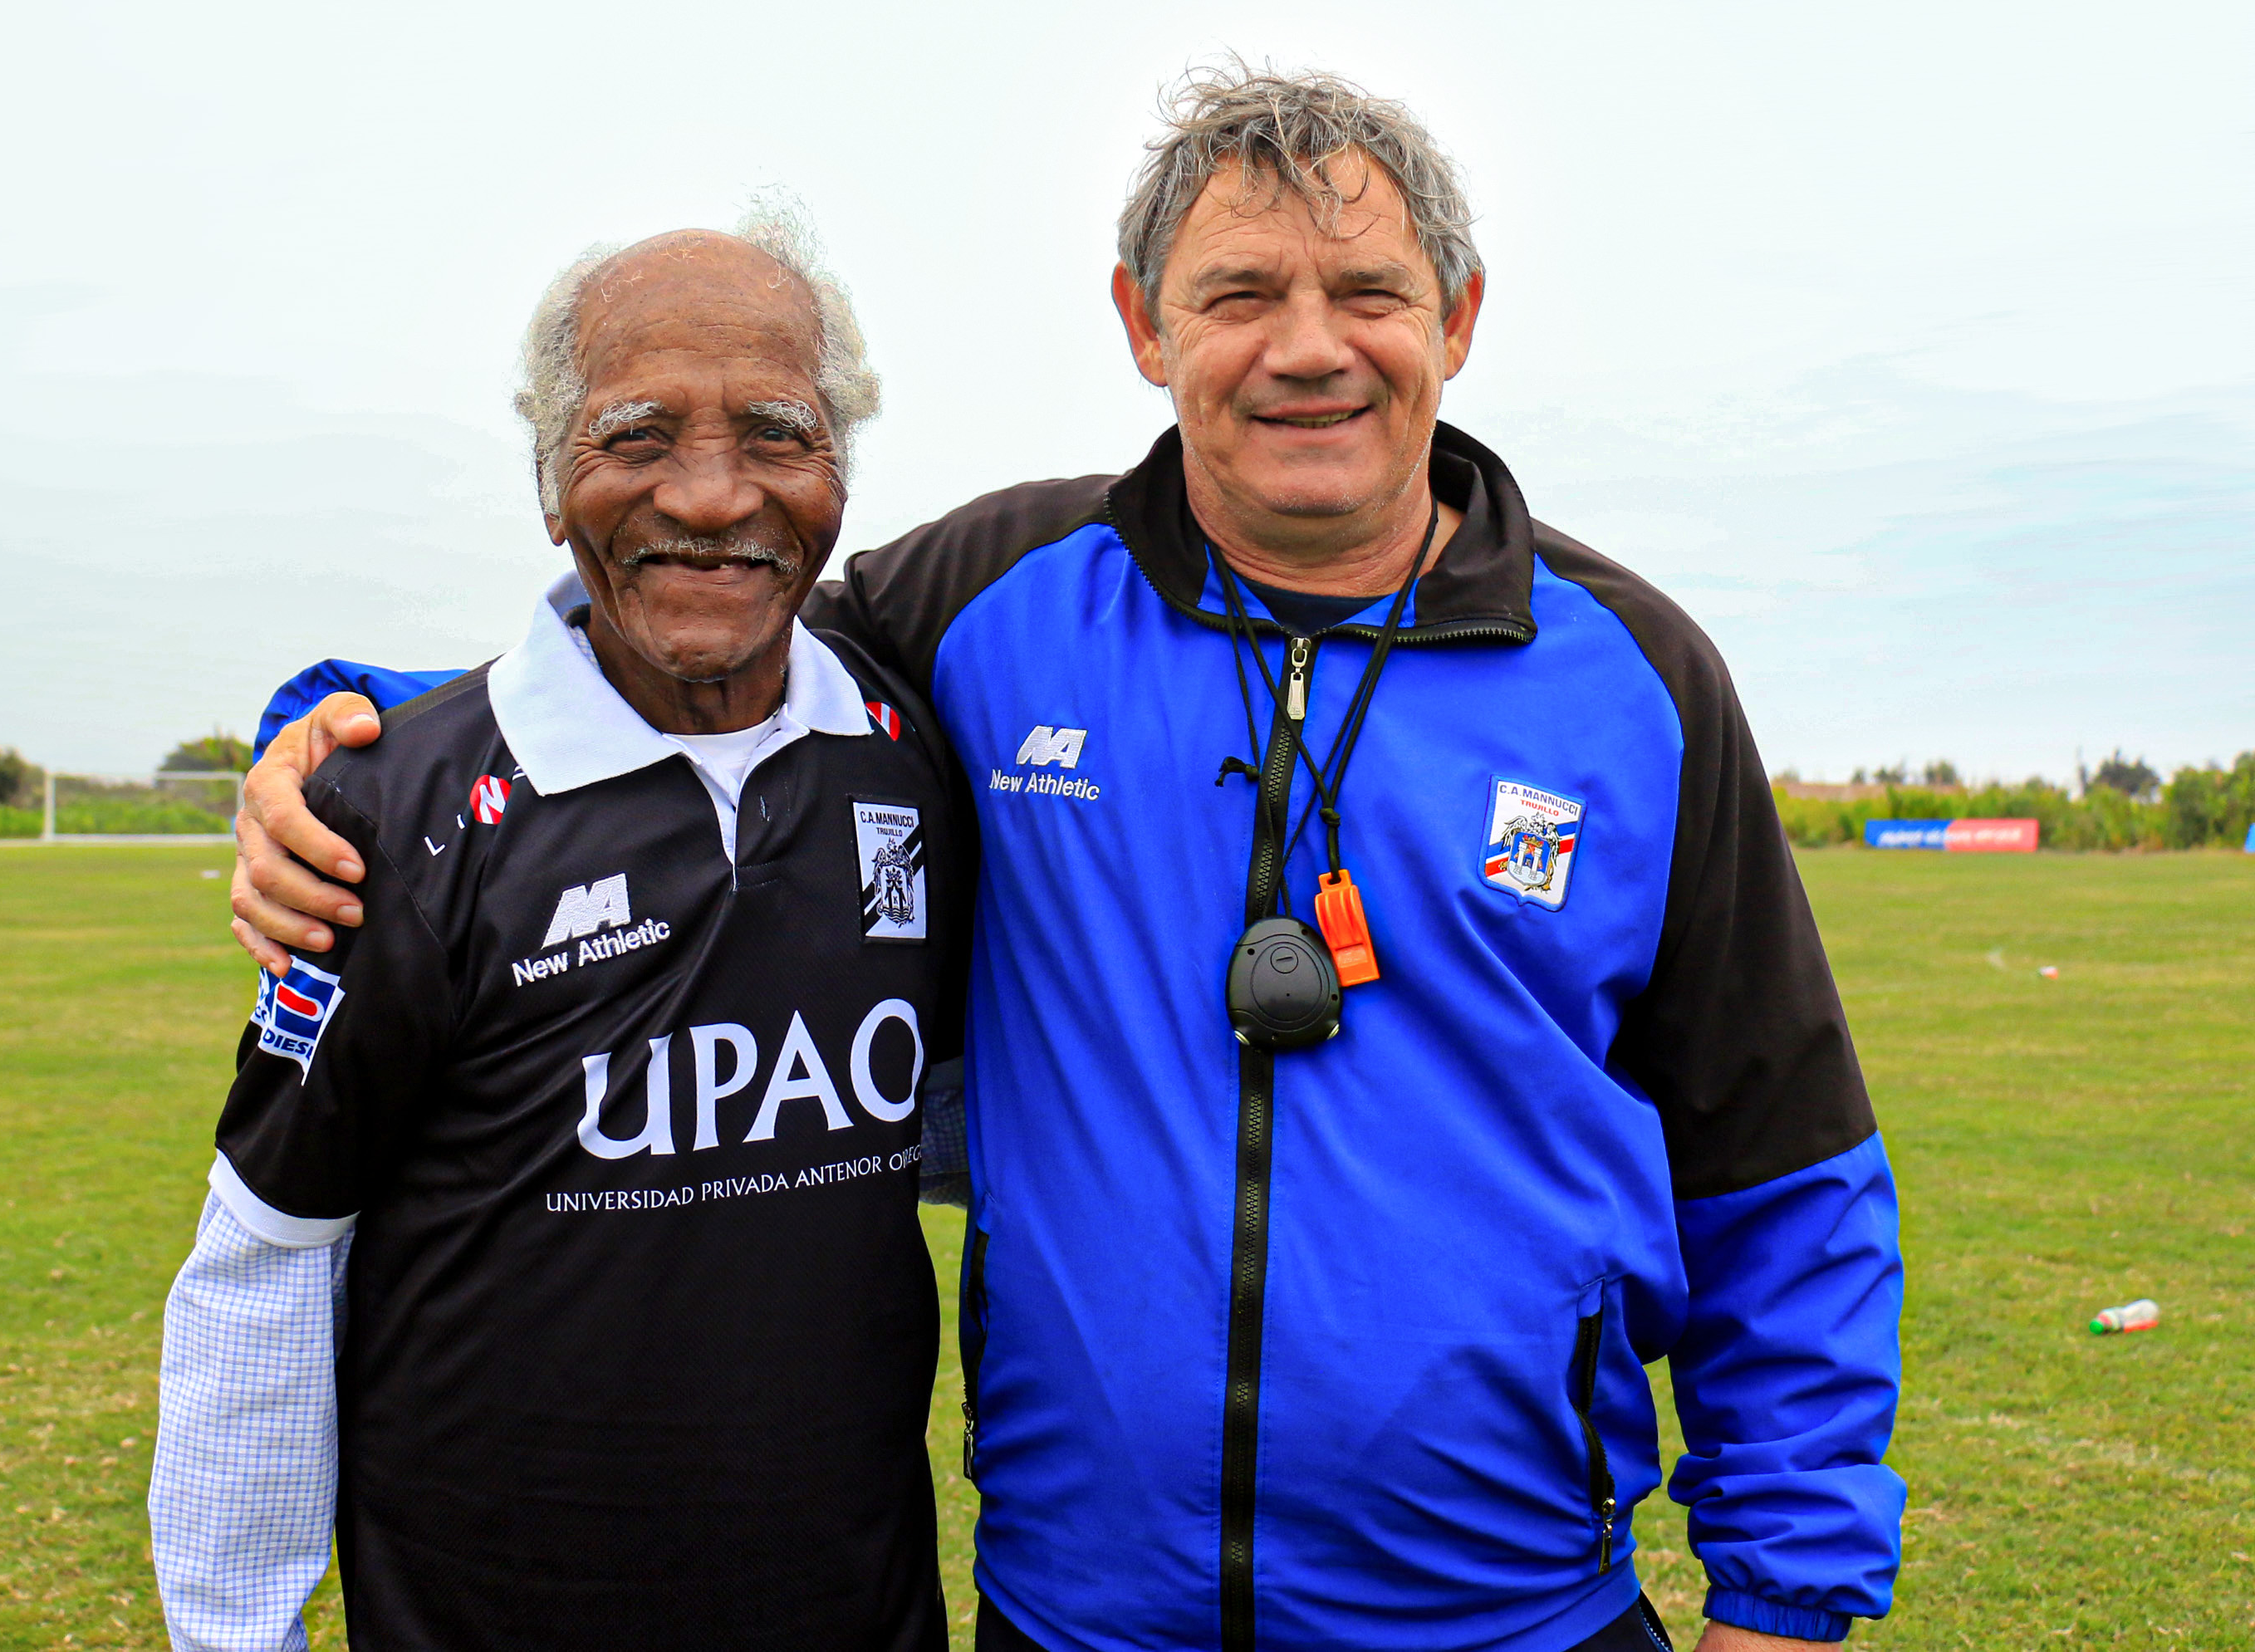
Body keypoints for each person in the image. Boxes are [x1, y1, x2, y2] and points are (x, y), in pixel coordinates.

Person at [233, 67, 1904, 1652]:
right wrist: (356, 730)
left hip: (1511, 1609)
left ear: (1456, 322)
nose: (1307, 350)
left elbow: (1780, 1167)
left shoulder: (1631, 676)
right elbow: (684, 630)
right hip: (1078, 1614)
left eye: (1370, 293)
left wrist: (1788, 1586)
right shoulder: (991, 600)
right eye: (1240, 292)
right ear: (1142, 323)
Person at [150, 215, 970, 1651]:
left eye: (776, 433)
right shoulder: (393, 813)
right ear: (550, 477)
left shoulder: (915, 761)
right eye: (637, 434)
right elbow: (266, 1264)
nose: (712, 497)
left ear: (840, 471)